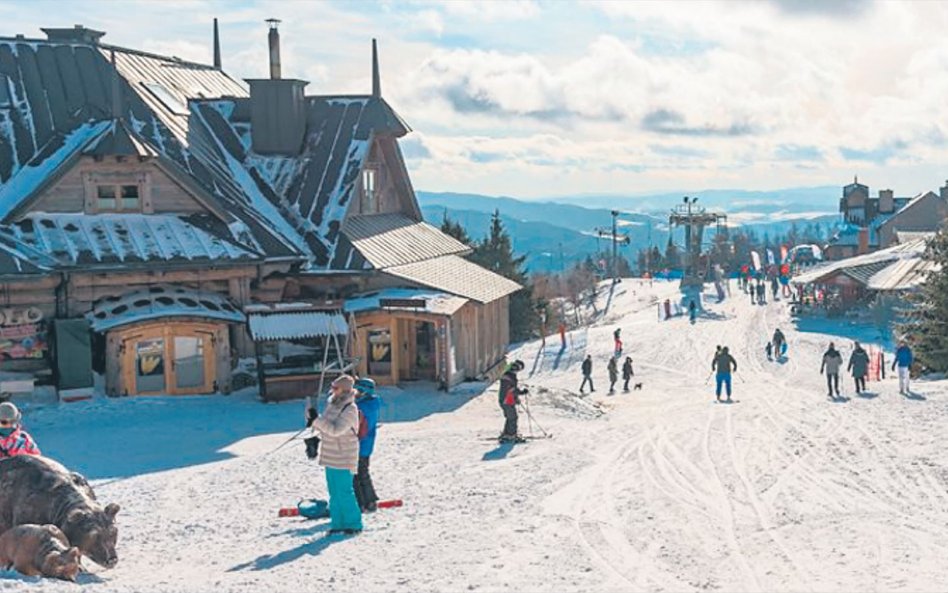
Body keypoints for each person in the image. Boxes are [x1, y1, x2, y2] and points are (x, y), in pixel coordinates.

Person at [309, 375, 363, 535]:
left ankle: (354, 524)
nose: (332, 389)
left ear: (345, 390)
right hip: (330, 455)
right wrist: (312, 421)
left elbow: (336, 430)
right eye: (332, 386)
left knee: (345, 492)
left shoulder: (350, 409)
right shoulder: (332, 404)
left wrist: (317, 421)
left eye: (336, 387)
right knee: (334, 492)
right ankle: (338, 524)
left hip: (344, 456)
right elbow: (325, 425)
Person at [353, 377, 380, 513]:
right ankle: (368, 501)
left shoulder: (364, 407)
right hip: (365, 445)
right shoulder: (369, 403)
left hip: (361, 445)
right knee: (361, 473)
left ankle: (364, 502)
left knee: (358, 474)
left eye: (357, 391)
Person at [498, 360, 527, 442]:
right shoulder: (510, 377)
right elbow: (511, 389)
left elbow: (510, 390)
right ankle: (511, 435)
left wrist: (516, 398)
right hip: (507, 400)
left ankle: (507, 433)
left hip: (506, 400)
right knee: (513, 417)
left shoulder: (508, 375)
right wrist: (521, 392)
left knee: (510, 417)